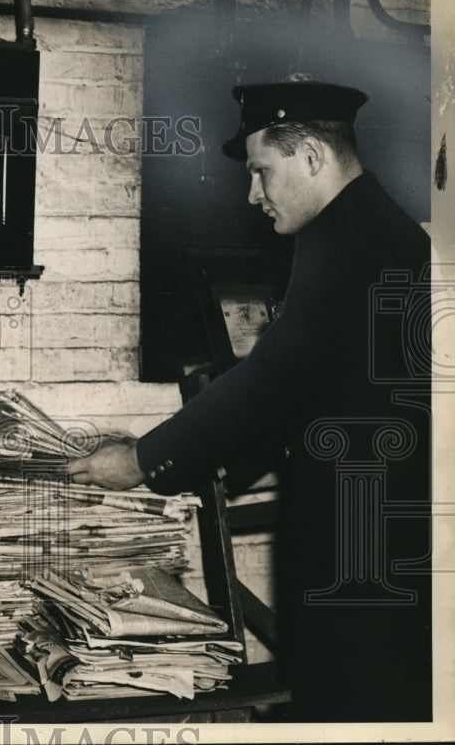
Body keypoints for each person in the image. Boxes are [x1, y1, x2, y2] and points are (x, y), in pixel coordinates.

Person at [68, 82, 432, 722]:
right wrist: (215, 460)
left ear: (312, 156)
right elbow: (318, 382)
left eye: (262, 171)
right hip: (378, 524)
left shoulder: (346, 240)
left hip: (360, 540)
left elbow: (271, 379)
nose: (252, 194)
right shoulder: (374, 225)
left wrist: (141, 460)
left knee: (350, 704)